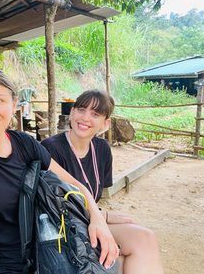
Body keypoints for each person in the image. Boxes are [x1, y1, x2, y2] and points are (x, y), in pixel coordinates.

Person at [0, 68, 119, 274]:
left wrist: (97, 219)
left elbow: (74, 185)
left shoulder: (25, 144)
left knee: (129, 248)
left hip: (45, 255)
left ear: (14, 105)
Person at [41, 90, 164, 274]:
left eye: (95, 114)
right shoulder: (51, 147)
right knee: (126, 258)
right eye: (81, 110)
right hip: (63, 231)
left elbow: (97, 197)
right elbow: (52, 205)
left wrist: (100, 215)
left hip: (90, 220)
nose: (85, 118)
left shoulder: (102, 149)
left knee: (146, 238)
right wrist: (104, 217)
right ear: (72, 113)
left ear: (105, 124)